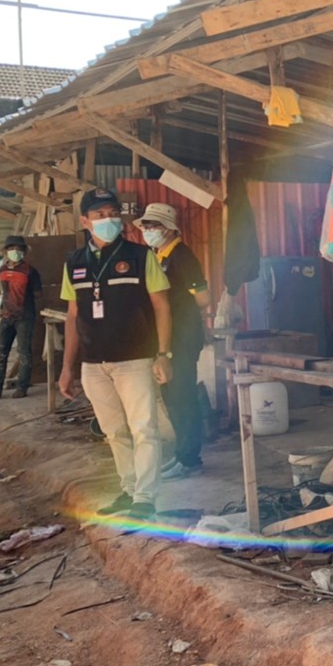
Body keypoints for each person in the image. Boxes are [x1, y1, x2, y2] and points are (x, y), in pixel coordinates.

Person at [58, 188, 174, 521]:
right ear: (85, 221)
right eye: (99, 215)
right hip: (94, 364)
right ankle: (129, 489)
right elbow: (72, 316)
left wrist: (163, 354)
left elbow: (162, 307)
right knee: (114, 431)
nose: (108, 219)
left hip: (134, 359)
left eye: (113, 213)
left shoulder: (141, 256)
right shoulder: (74, 263)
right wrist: (67, 368)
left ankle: (145, 497)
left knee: (144, 429)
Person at [136, 203, 211, 479]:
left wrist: (180, 311)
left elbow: (203, 298)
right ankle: (182, 453)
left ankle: (190, 458)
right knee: (172, 397)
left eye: (153, 226)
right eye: (145, 226)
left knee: (182, 396)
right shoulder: (159, 256)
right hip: (167, 339)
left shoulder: (182, 256)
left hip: (182, 337)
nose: (147, 230)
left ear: (168, 229)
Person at [0, 235, 43, 399]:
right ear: (5, 251)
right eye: (11, 248)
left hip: (25, 316)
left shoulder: (30, 271)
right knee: (0, 352)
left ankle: (22, 387)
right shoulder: (2, 270)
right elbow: (5, 291)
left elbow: (38, 293)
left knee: (24, 352)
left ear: (24, 251)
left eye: (18, 249)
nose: (15, 251)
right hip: (6, 315)